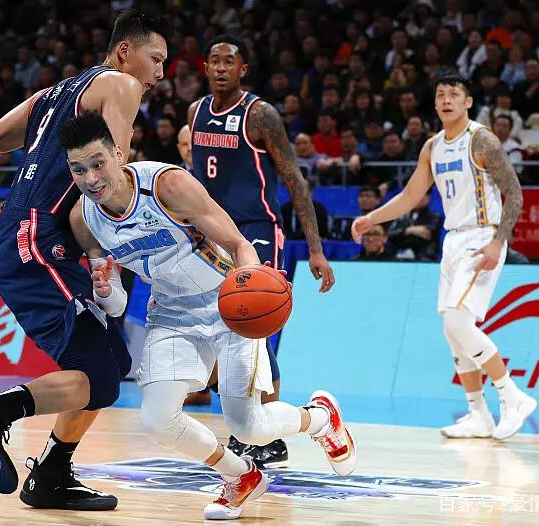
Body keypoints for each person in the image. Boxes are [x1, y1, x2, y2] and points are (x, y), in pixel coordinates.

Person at [0, 10, 172, 510]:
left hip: (29, 236)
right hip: (39, 241)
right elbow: (112, 179)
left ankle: (53, 474)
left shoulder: (54, 94)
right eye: (156, 58)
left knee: (112, 364)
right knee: (98, 374)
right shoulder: (122, 85)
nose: (160, 72)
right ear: (125, 51)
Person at [61, 111, 356, 520]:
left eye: (97, 164)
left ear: (118, 154)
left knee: (247, 426)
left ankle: (321, 418)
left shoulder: (167, 185)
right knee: (157, 419)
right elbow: (116, 307)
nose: (91, 178)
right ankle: (240, 476)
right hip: (170, 310)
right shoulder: (83, 219)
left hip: (226, 301)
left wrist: (250, 284)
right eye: (78, 169)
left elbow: (238, 244)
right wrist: (106, 291)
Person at [351, 74, 536, 441]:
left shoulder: (481, 139)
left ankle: (513, 396)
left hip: (482, 236)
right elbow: (410, 197)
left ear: (468, 102)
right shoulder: (432, 146)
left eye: (454, 94)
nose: (446, 100)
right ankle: (478, 414)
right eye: (440, 95)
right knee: (452, 332)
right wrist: (372, 218)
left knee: (457, 323)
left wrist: (498, 242)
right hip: (452, 241)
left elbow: (514, 193)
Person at [187, 35, 336, 469]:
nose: (220, 68)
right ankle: (247, 426)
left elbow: (294, 180)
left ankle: (272, 434)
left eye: (229, 61)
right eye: (214, 61)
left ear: (243, 70)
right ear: (205, 67)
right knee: (218, 331)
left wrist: (315, 249)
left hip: (255, 232)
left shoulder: (259, 114)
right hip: (211, 233)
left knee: (255, 325)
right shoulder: (195, 112)